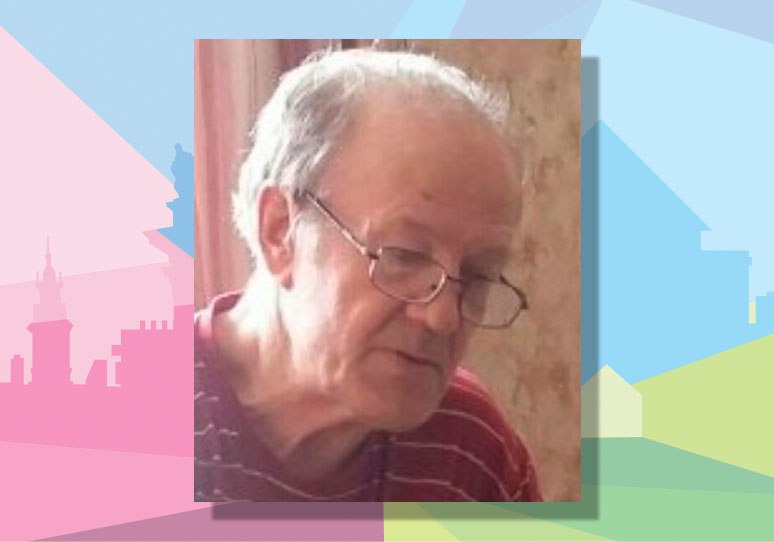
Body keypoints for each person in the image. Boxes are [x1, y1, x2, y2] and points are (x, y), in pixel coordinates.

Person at [195, 47, 542, 502]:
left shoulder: (470, 450)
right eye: (405, 255)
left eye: (478, 274)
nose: (443, 318)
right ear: (280, 231)